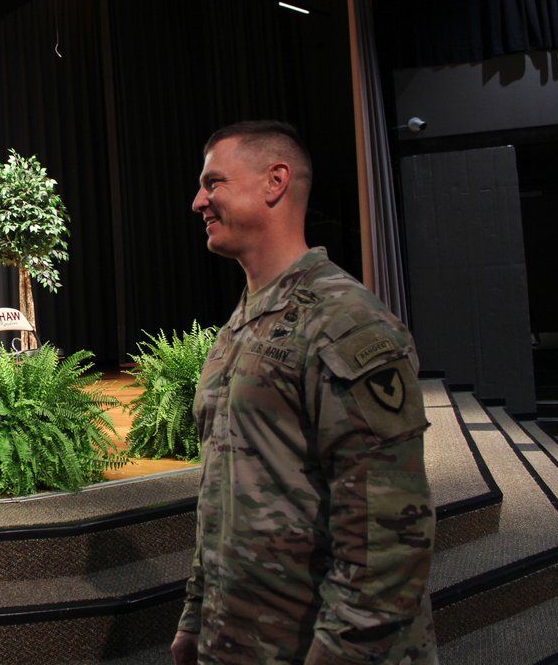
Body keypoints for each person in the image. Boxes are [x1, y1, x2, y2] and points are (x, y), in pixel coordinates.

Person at [172, 121, 436, 664]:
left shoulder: (346, 321)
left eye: (213, 182)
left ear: (275, 182)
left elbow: (388, 535)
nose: (199, 200)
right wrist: (195, 616)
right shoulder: (238, 327)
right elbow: (221, 491)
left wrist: (338, 654)